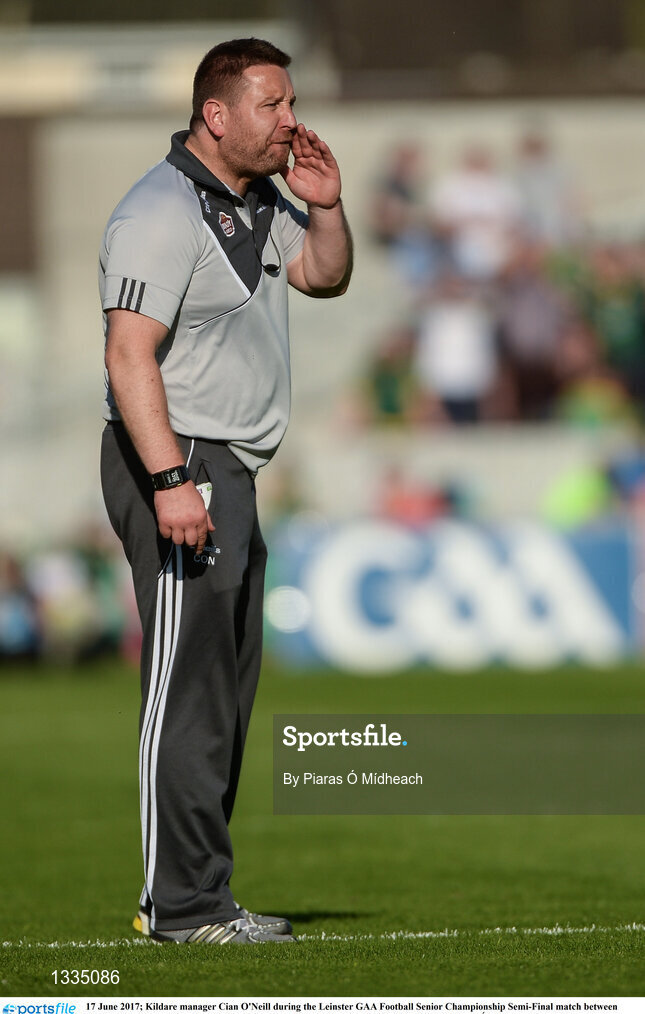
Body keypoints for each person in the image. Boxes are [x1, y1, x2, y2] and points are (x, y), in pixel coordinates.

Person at [99, 38, 352, 946]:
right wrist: (170, 478)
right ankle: (183, 908)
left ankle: (196, 894)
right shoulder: (159, 211)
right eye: (273, 104)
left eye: (290, 102)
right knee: (186, 693)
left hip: (228, 470)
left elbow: (324, 276)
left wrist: (324, 210)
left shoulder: (257, 203)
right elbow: (128, 356)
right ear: (217, 115)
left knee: (226, 696)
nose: (291, 119)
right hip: (181, 463)